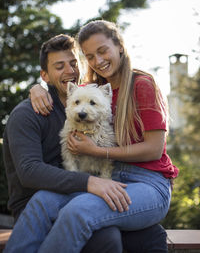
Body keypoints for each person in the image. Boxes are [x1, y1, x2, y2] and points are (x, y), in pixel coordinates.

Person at [3, 33, 168, 253]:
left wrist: (96, 159)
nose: (70, 71)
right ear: (46, 75)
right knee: (44, 201)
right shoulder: (29, 112)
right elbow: (30, 171)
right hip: (55, 192)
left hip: (107, 183)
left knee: (107, 233)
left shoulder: (94, 93)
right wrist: (36, 88)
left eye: (74, 63)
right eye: (59, 66)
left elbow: (154, 148)